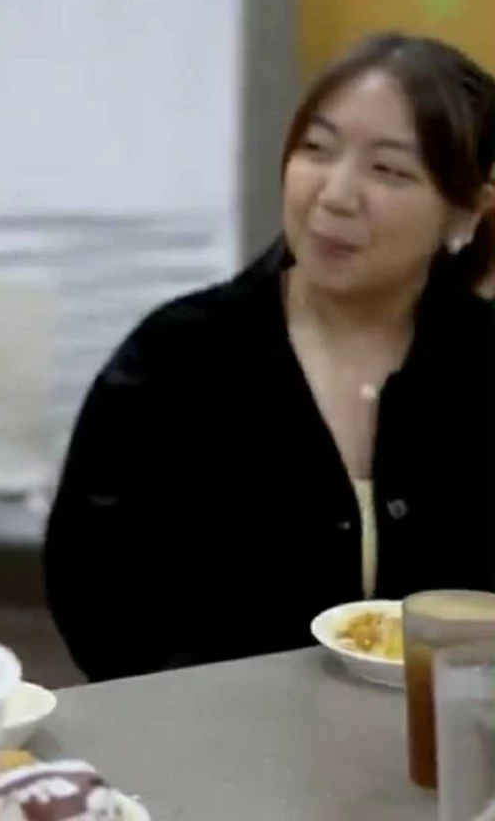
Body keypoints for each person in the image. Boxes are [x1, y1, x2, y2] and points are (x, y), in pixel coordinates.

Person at [45, 34, 495, 683]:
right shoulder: (176, 360)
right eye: (317, 150)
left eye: (389, 170)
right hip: (220, 758)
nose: (336, 195)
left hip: (455, 755)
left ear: (465, 213)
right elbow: (101, 597)